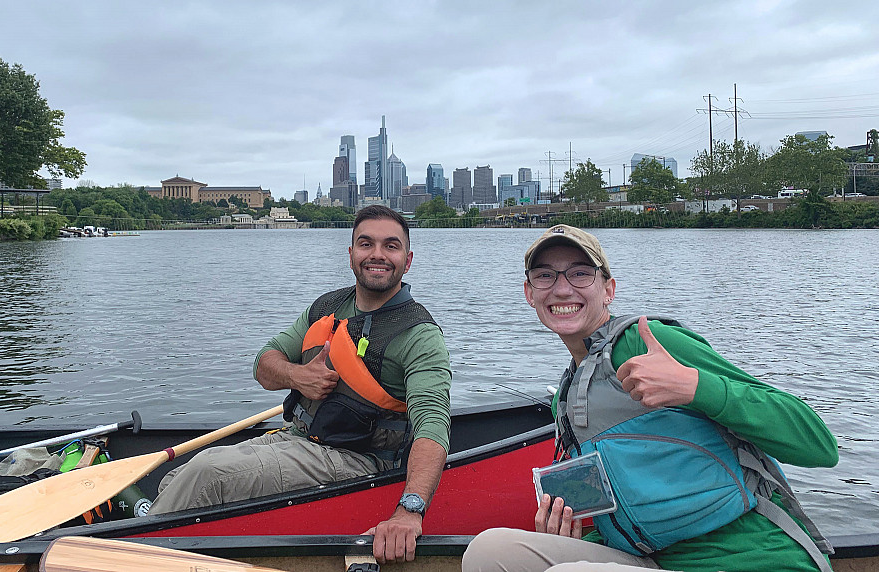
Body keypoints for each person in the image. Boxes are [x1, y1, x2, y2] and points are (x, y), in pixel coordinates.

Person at [462, 224, 839, 572]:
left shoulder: (648, 343)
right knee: (489, 552)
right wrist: (570, 533)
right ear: (529, 293)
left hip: (750, 558)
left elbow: (819, 445)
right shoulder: (568, 392)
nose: (562, 289)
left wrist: (694, 386)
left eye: (580, 273)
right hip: (654, 560)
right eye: (545, 275)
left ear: (609, 289)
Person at [150, 205, 452, 564]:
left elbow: (432, 426)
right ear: (351, 254)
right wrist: (298, 376)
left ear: (408, 258)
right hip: (297, 438)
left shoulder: (419, 335)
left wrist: (410, 510)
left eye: (391, 246)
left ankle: (125, 556)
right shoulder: (328, 306)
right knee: (180, 476)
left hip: (358, 459)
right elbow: (264, 365)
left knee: (207, 475)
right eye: (366, 243)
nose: (377, 254)